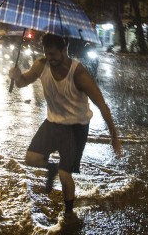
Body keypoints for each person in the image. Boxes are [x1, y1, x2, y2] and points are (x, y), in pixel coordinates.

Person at [9, 33, 122, 217]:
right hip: (53, 123)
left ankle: (69, 214)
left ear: (64, 50)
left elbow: (102, 105)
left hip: (76, 127)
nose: (49, 57)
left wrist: (114, 138)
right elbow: (22, 82)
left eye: (53, 54)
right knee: (31, 158)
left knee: (64, 174)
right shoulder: (41, 65)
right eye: (46, 52)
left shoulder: (79, 74)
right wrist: (16, 75)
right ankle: (50, 168)